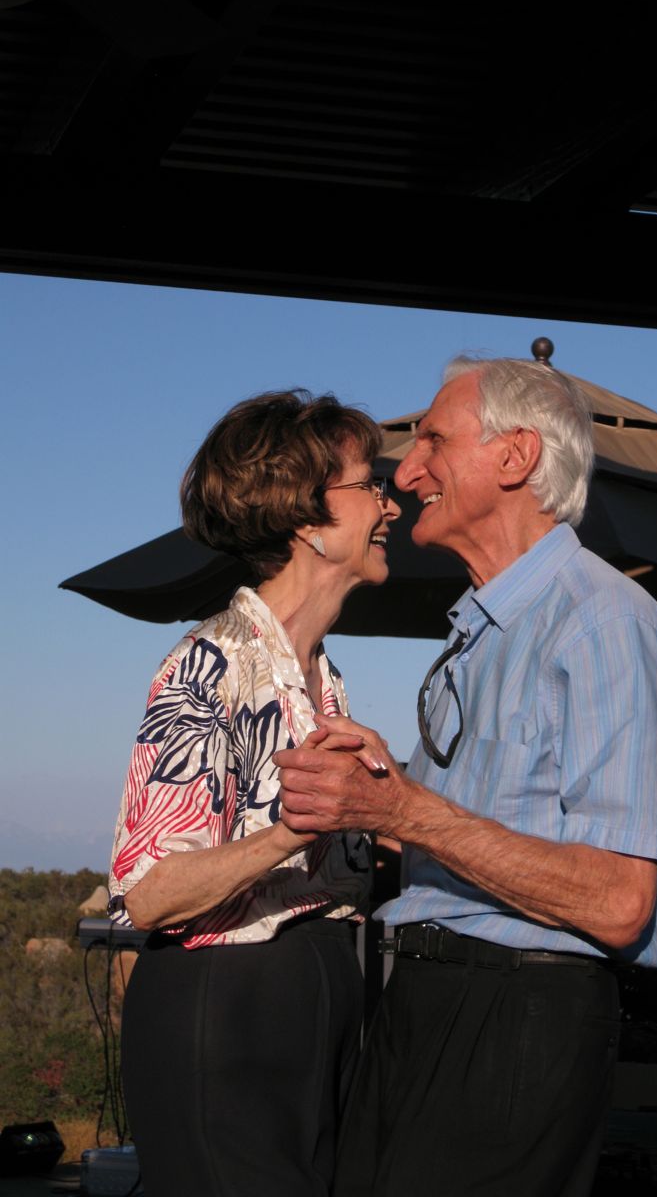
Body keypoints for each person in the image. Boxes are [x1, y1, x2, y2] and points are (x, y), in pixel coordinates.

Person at [276, 356, 657, 1197]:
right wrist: (381, 799)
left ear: (515, 458)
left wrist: (413, 811)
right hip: (425, 1006)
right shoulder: (486, 630)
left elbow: (618, 903)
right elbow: (457, 836)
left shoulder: (604, 623)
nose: (408, 468)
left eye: (433, 438)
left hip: (514, 1025)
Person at [107, 389, 400, 1197]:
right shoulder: (209, 667)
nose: (391, 503)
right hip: (228, 1011)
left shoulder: (322, 679)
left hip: (322, 997)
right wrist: (292, 832)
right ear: (307, 519)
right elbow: (150, 894)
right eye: (370, 484)